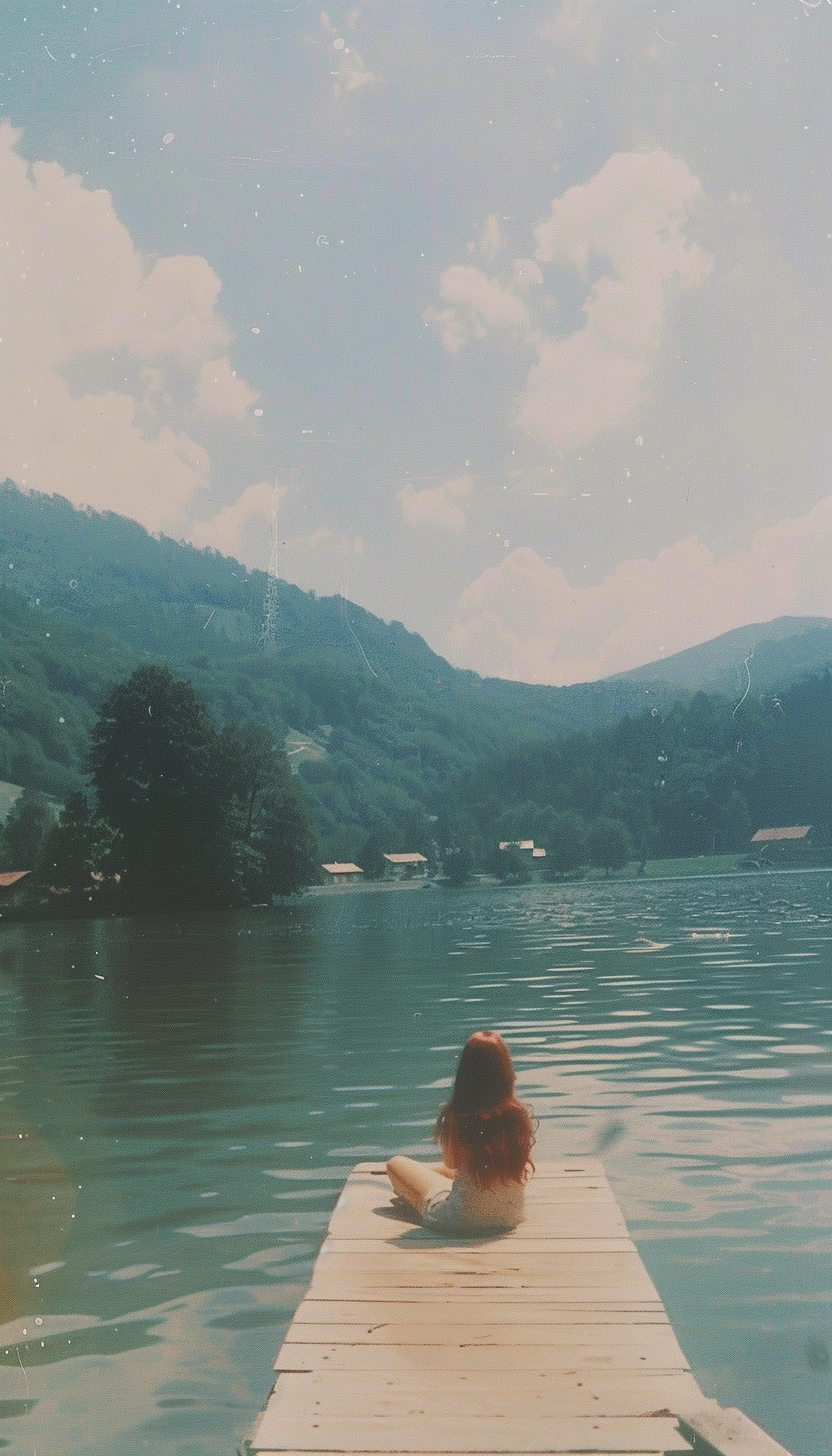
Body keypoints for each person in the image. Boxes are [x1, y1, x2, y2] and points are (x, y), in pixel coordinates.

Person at [386, 1030, 535, 1232]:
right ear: (505, 1071)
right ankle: (422, 1171)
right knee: (464, 1171)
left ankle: (418, 1174)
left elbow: (452, 1163)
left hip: (459, 1221)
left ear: (466, 1071)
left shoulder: (460, 1114)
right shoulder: (518, 1115)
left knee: (395, 1164)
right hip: (510, 1218)